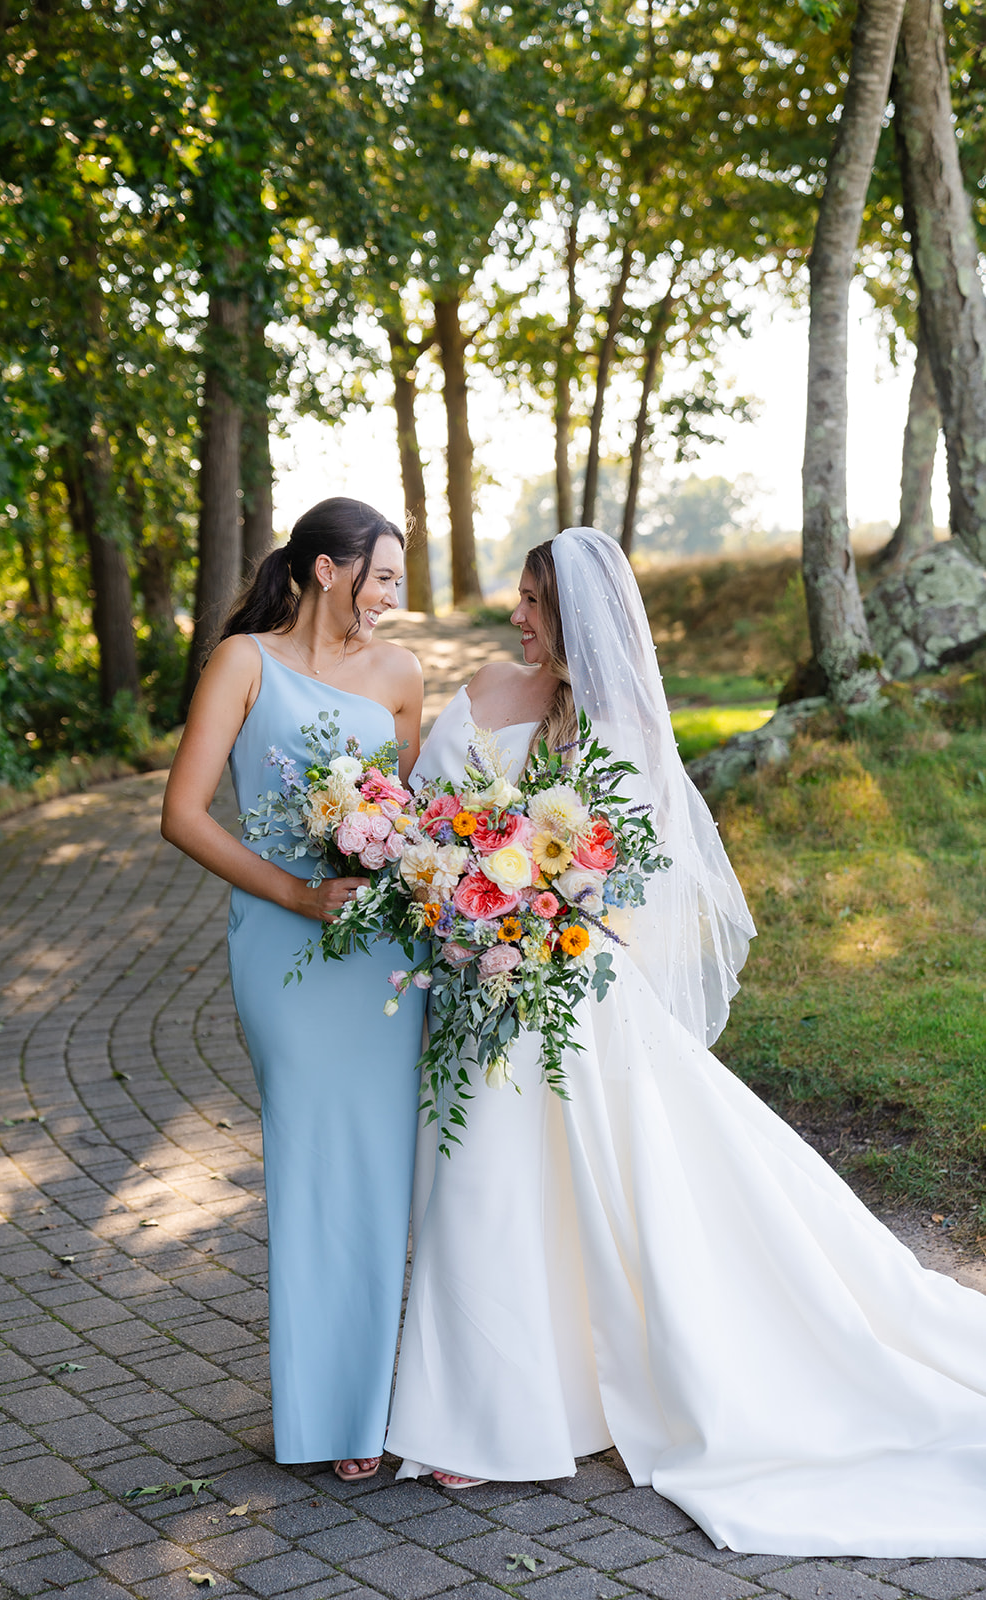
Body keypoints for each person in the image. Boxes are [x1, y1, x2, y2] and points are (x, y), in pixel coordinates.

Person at [385, 526, 986, 1557]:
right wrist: (467, 897)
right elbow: (439, 820)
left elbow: (633, 888)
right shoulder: (499, 693)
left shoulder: (621, 730)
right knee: (493, 1173)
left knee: (524, 1171)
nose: (517, 616)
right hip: (485, 969)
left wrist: (537, 913)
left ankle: (491, 1413)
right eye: (520, 600)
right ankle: (511, 1399)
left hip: (570, 979)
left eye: (532, 601)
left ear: (572, 617)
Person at [162, 497, 426, 1483]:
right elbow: (182, 815)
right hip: (283, 943)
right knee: (311, 1165)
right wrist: (297, 894)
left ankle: (380, 1401)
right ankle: (325, 1412)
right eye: (384, 576)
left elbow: (406, 816)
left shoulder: (399, 675)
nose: (395, 598)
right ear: (326, 567)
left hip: (380, 952)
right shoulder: (242, 661)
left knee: (382, 1171)